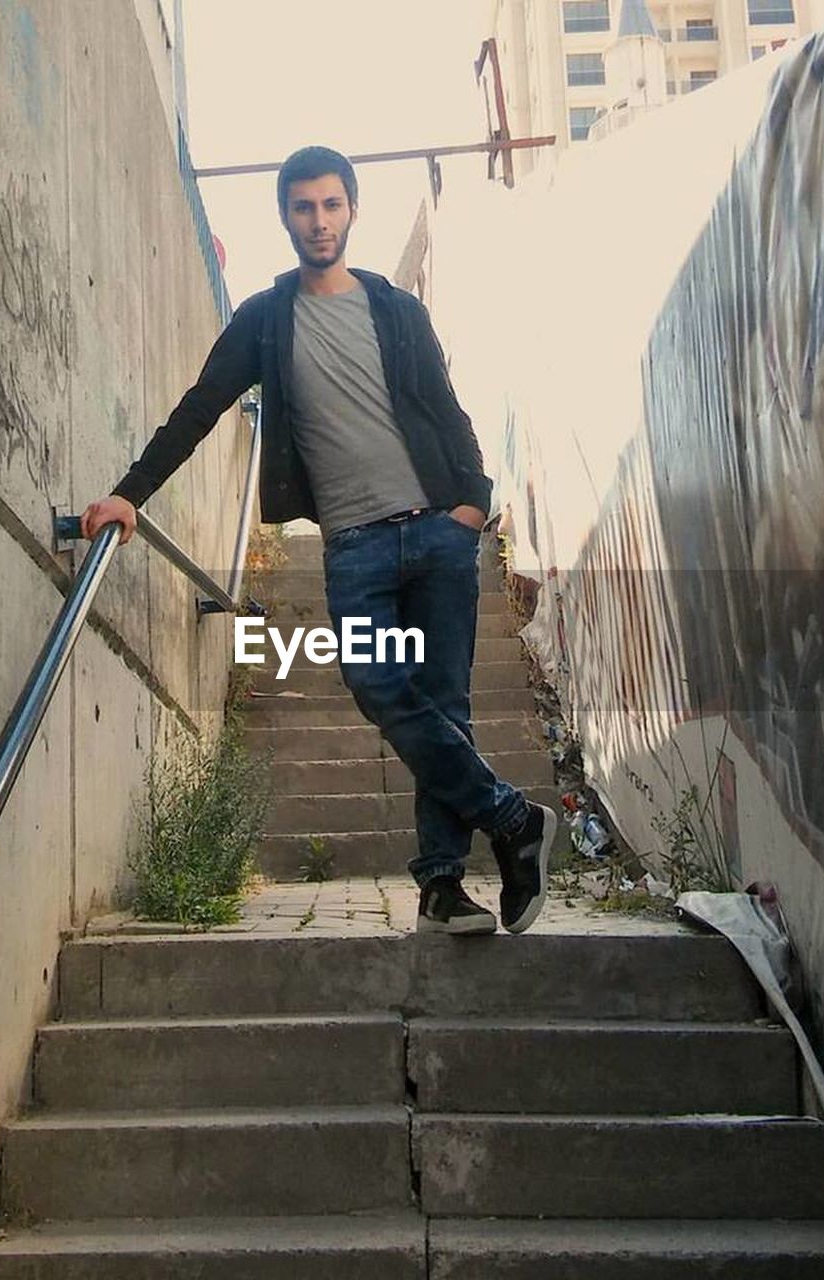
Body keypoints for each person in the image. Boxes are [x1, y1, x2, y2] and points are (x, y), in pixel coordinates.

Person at [82, 145, 557, 936]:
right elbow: (200, 408)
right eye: (304, 207)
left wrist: (472, 505)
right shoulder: (266, 320)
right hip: (355, 549)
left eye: (331, 205)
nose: (319, 220)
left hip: (438, 535)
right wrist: (129, 495)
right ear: (286, 218)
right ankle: (513, 820)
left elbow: (448, 413)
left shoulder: (398, 310)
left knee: (442, 706)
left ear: (352, 210)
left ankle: (443, 888)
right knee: (377, 685)